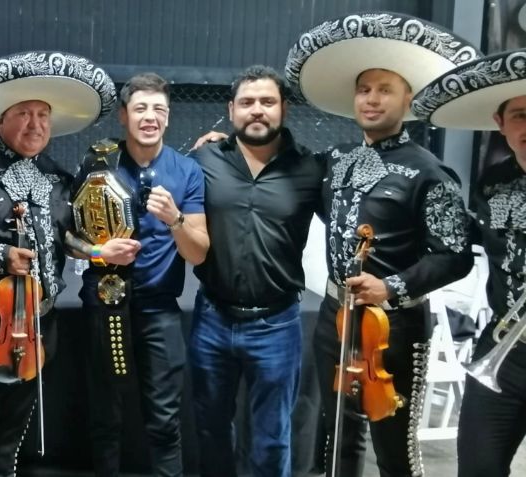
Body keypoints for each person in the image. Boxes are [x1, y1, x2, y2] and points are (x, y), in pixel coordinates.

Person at [284, 11, 478, 477]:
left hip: (394, 325)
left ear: (407, 98)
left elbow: (455, 257)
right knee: (335, 439)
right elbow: (278, 175)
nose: (371, 100)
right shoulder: (334, 162)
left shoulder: (430, 172)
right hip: (333, 319)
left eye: (384, 89)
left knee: (394, 444)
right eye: (364, 89)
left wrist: (391, 286)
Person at [0, 51, 116, 477]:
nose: (36, 124)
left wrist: (101, 252)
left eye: (43, 115)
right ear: (1, 122)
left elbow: (69, 237)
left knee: (13, 431)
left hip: (41, 322)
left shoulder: (57, 177)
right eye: (24, 114)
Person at [66, 72, 209, 477]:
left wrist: (176, 220)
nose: (151, 117)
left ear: (168, 117)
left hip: (160, 311)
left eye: (159, 110)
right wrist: (97, 251)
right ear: (123, 115)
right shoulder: (96, 163)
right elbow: (67, 236)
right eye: (141, 108)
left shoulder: (187, 172)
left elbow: (199, 254)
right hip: (104, 305)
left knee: (165, 420)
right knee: (105, 416)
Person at [188, 64, 322, 477]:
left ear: (283, 109)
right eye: (247, 102)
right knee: (210, 431)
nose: (257, 110)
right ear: (231, 110)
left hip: (277, 325)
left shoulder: (312, 170)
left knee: (271, 439)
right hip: (212, 319)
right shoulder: (202, 159)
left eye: (267, 101)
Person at [412, 47, 526, 477]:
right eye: (518, 115)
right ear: (500, 123)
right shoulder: (493, 183)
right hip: (503, 349)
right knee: (477, 467)